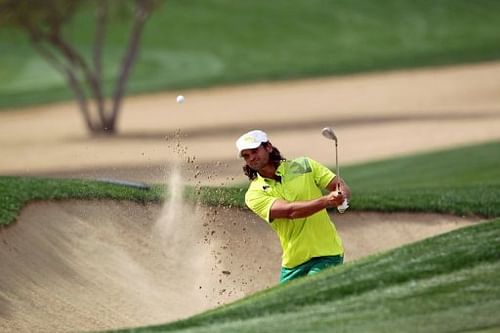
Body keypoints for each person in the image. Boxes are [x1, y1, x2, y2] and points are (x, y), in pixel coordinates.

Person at [236, 129, 351, 283]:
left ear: (268, 147)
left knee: (313, 290)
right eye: (246, 155)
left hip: (327, 253)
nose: (251, 158)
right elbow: (291, 212)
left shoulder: (304, 165)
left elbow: (338, 185)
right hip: (293, 262)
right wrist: (327, 201)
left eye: (254, 151)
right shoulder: (254, 194)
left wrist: (341, 196)